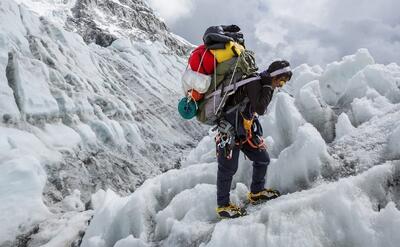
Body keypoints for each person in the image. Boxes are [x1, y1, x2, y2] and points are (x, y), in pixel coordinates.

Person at [215, 60, 292, 219]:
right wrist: (267, 87)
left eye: (285, 81)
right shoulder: (256, 83)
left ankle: (256, 192)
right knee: (227, 169)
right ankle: (223, 206)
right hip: (229, 131)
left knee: (262, 158)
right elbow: (260, 108)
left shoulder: (263, 83)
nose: (281, 85)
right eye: (281, 80)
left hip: (244, 131)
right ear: (274, 76)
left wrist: (268, 86)